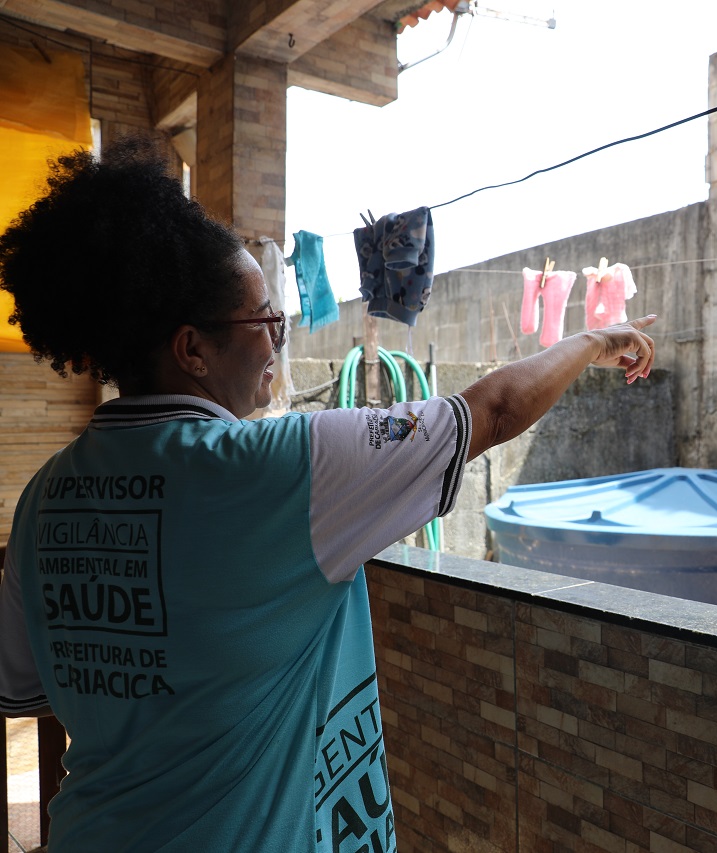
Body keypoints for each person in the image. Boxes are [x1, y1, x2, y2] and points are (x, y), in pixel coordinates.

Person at [0, 136, 656, 852]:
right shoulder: (275, 470)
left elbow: (25, 682)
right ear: (192, 349)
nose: (277, 343)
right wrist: (596, 339)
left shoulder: (43, 500)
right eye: (264, 320)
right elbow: (492, 410)